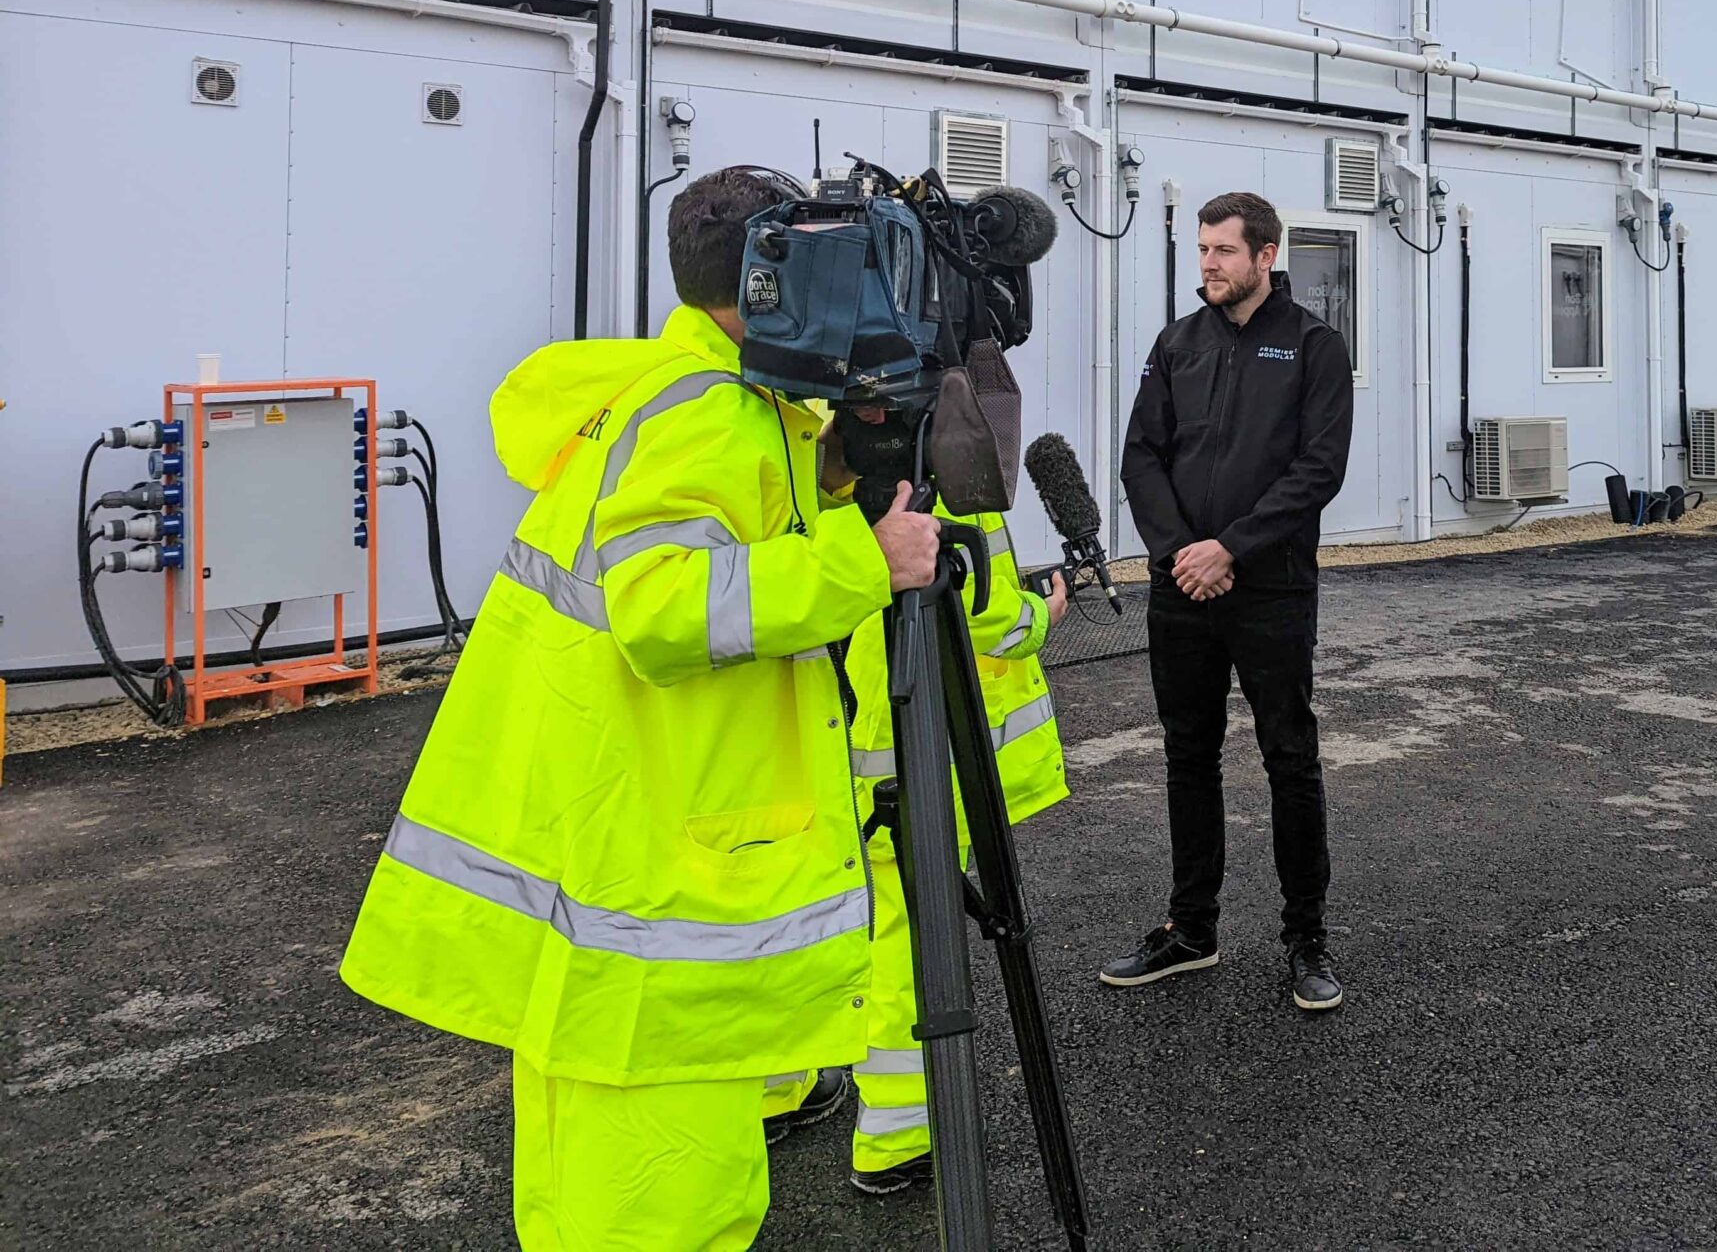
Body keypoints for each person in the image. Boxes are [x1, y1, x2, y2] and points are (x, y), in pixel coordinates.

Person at [338, 165, 942, 1252]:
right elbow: (663, 605)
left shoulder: (687, 389)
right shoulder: (706, 413)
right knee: (675, 1202)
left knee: (584, 1198)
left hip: (609, 848)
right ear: (774, 274)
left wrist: (836, 467)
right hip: (660, 885)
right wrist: (867, 555)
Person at [1105, 189, 1355, 1013]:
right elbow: (1142, 457)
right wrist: (1181, 554)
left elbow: (1317, 471)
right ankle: (1190, 930)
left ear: (1264, 256)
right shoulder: (1176, 343)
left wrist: (1231, 548)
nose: (1207, 264)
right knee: (1188, 756)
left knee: (1289, 758)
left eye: (1222, 251)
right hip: (1184, 590)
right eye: (1203, 250)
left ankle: (1306, 940)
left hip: (1270, 588)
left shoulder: (1314, 346)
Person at [824, 403, 1071, 1196]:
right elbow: (991, 611)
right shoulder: (949, 461)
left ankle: (780, 1088)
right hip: (905, 735)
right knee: (909, 930)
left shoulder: (814, 448)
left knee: (815, 917)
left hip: (820, 737)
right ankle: (897, 1133)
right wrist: (1045, 614)